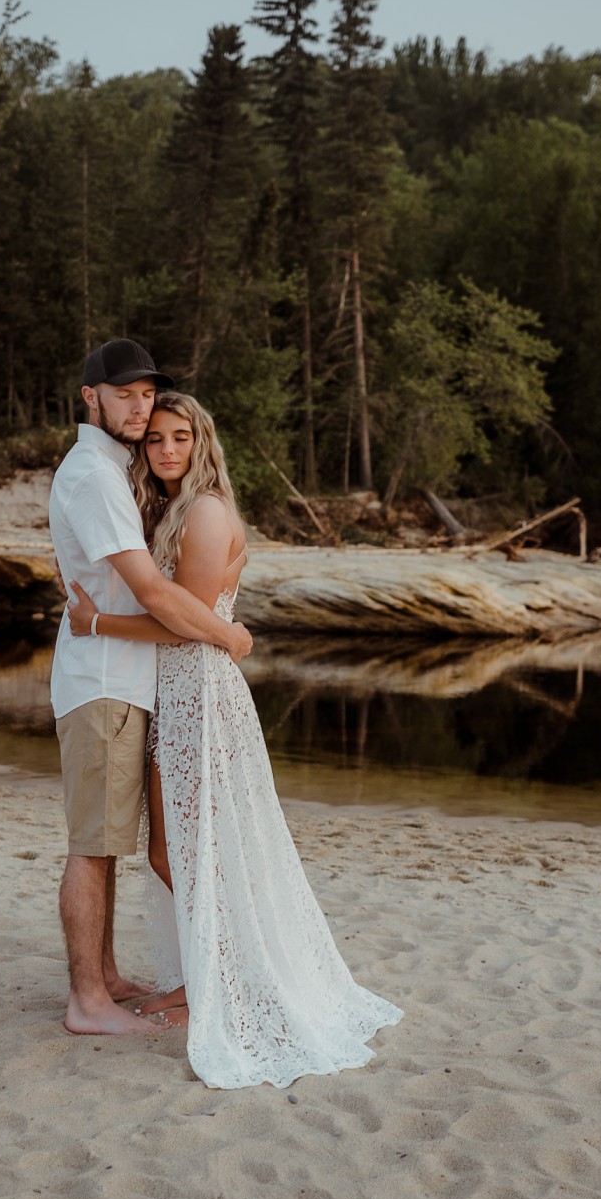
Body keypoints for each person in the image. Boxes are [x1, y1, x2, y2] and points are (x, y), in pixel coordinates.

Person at [65, 392, 402, 1088]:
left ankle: (220, 978)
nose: (165, 450)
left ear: (201, 442)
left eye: (179, 437)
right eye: (154, 439)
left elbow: (180, 621)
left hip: (201, 694)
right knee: (172, 847)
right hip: (172, 693)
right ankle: (207, 969)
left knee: (188, 846)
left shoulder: (208, 511)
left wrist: (97, 626)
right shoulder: (163, 509)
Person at [48, 341, 255, 1037]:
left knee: (140, 845)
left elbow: (169, 598)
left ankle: (111, 979)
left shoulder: (143, 487)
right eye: (127, 396)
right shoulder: (97, 475)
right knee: (99, 843)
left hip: (155, 685)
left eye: (151, 399)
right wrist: (227, 635)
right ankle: (92, 998)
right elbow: (153, 593)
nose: (141, 412)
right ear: (90, 397)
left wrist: (213, 634)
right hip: (108, 680)